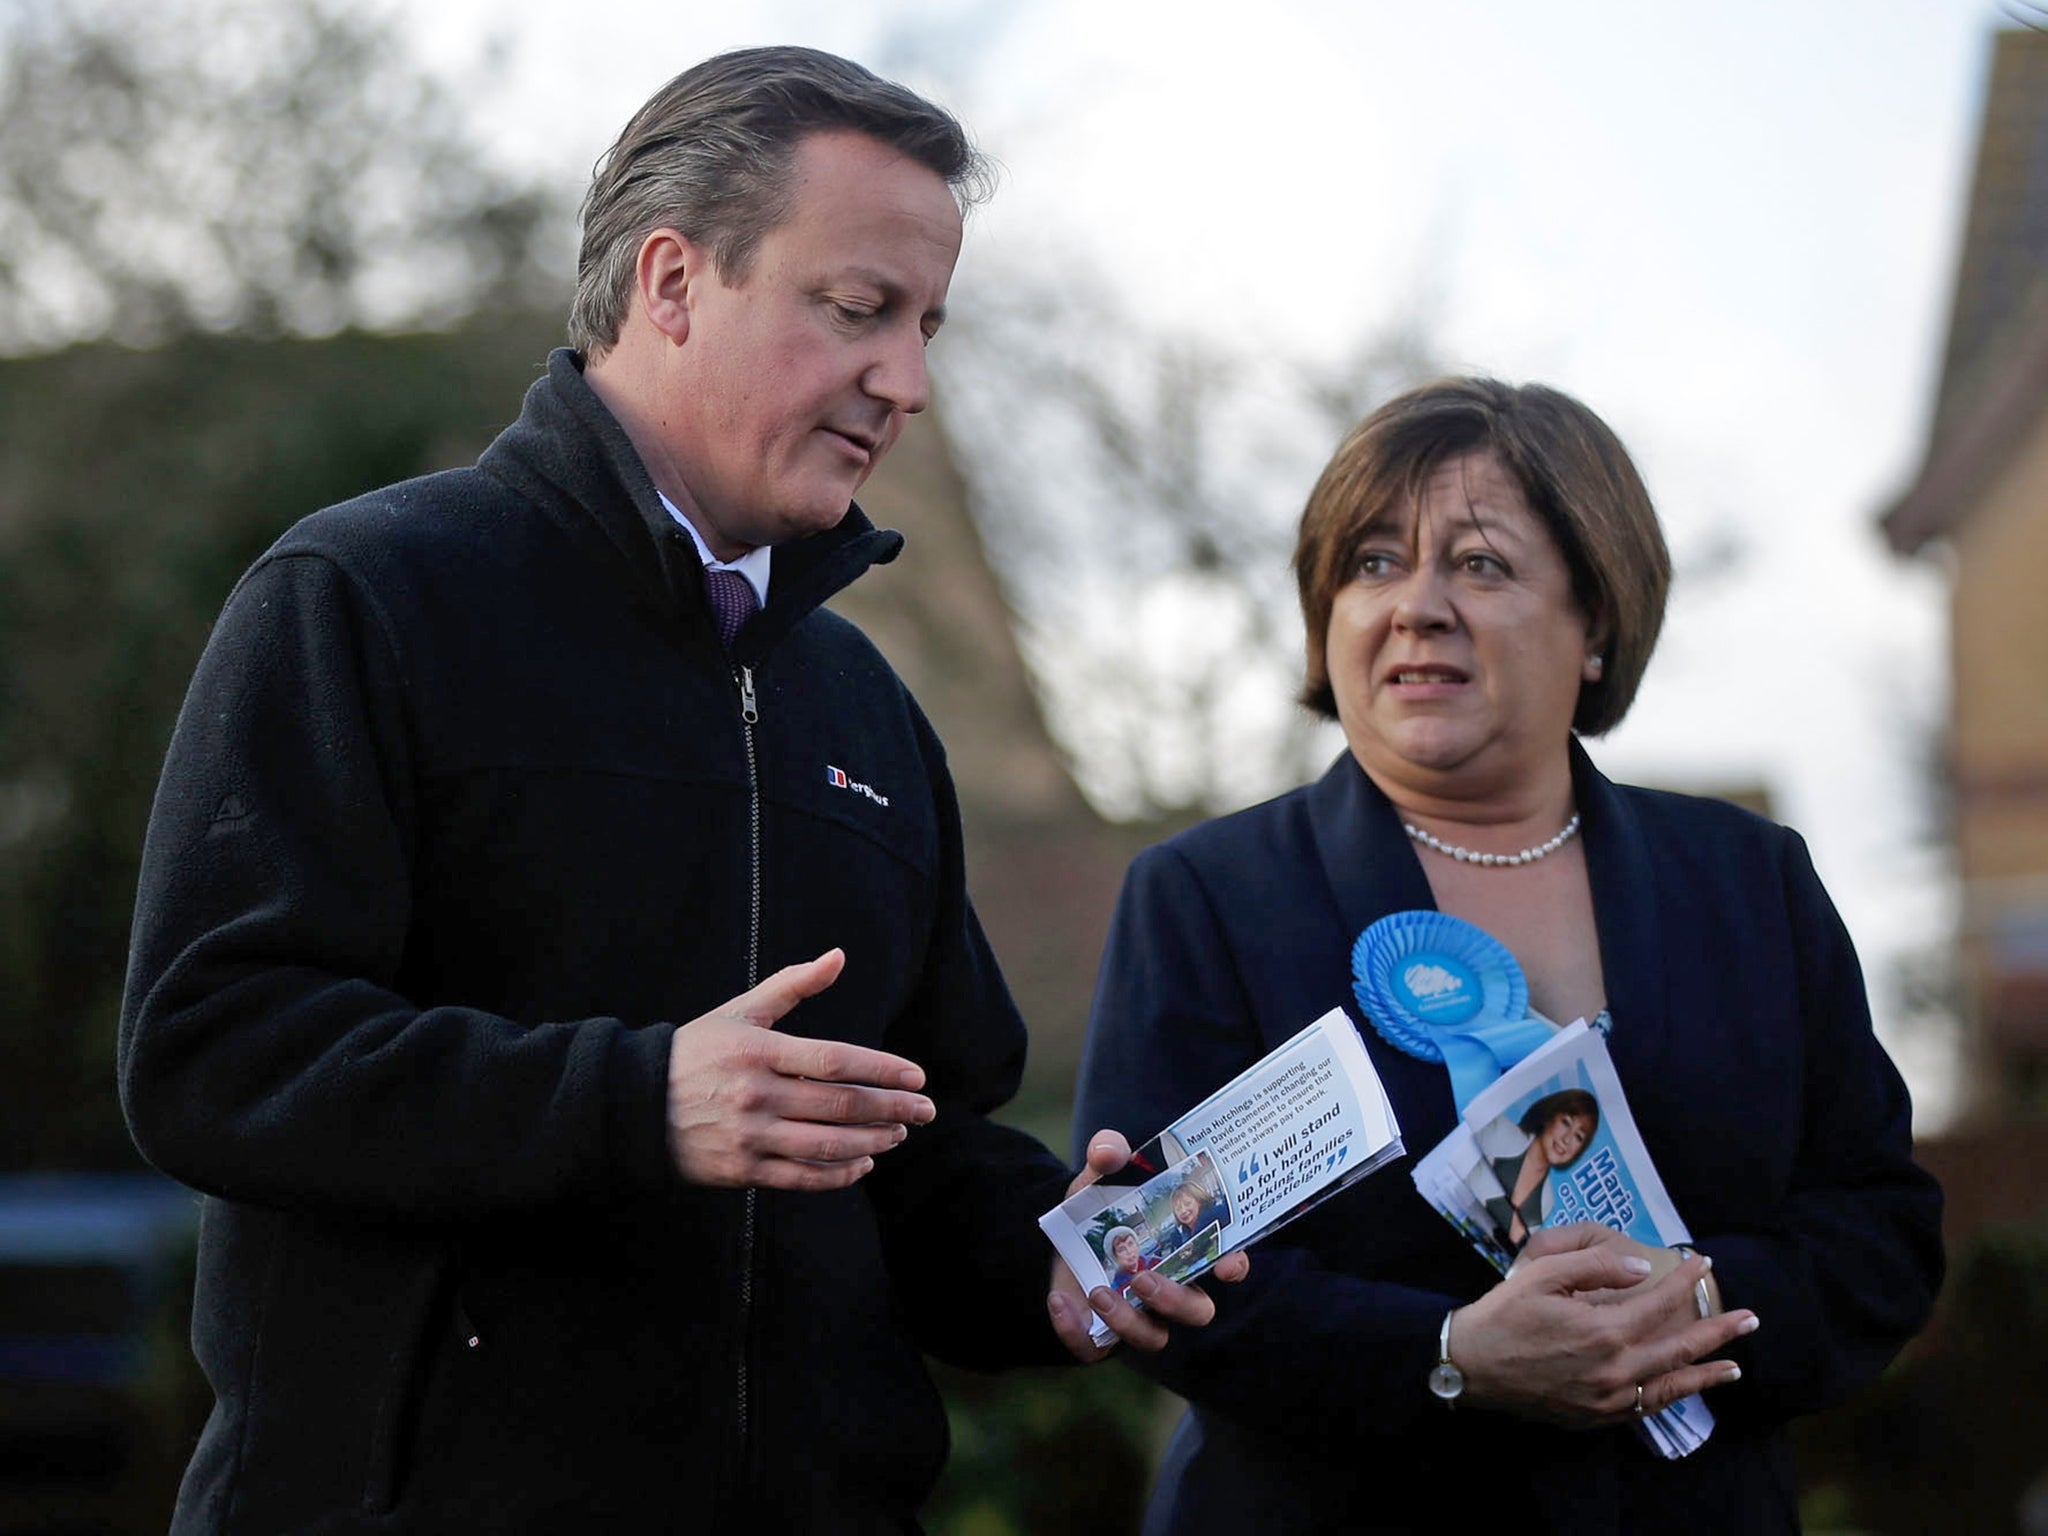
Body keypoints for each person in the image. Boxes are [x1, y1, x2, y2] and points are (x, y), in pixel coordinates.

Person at [116, 47, 1236, 1535]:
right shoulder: (365, 595)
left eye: (924, 326)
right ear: (670, 282)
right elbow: (209, 1054)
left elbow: (920, 1144)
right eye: (858, 309)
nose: (906, 383)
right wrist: (633, 1102)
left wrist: (1054, 1259)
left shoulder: (872, 709)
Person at [1072, 378, 1943, 1534]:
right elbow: (1145, 1271)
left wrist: (1698, 1299)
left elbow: (1879, 1234)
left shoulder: (1749, 881)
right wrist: (1444, 1354)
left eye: (1479, 564)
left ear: (1596, 621)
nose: (1416, 606)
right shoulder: (1205, 896)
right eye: (1372, 563)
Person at [1478, 1088, 1600, 1248]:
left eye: (1578, 1137)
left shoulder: (1546, 1202)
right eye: (1566, 1122)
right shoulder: (1499, 1131)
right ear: (1549, 1117)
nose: (1567, 1139)